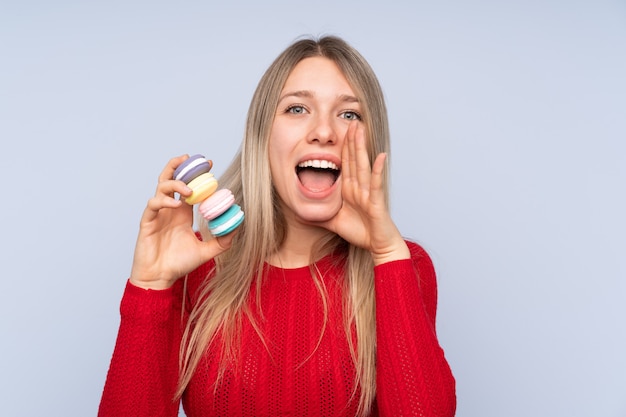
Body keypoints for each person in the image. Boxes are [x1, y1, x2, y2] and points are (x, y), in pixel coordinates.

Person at [98, 35, 456, 417]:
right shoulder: (196, 270)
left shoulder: (403, 267)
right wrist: (150, 287)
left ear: (370, 144)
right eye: (298, 109)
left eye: (349, 114)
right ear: (262, 137)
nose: (324, 131)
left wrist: (388, 255)